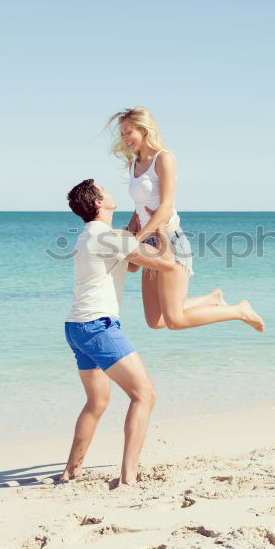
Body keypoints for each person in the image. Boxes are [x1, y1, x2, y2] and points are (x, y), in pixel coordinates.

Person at [58, 178, 177, 487]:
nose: (110, 192)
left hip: (77, 327)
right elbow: (165, 263)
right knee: (145, 395)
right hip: (99, 327)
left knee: (97, 403)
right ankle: (128, 477)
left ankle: (72, 470)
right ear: (99, 203)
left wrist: (135, 233)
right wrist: (161, 229)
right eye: (105, 191)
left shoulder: (91, 235)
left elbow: (132, 265)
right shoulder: (109, 237)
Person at [104, 107, 265, 332]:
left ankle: (239, 310)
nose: (124, 139)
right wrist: (126, 235)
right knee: (155, 321)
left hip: (169, 240)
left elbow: (166, 206)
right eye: (122, 134)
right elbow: (140, 207)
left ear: (143, 129)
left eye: (128, 132)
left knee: (175, 321)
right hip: (148, 242)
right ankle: (213, 299)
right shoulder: (134, 164)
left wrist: (136, 239)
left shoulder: (164, 158)